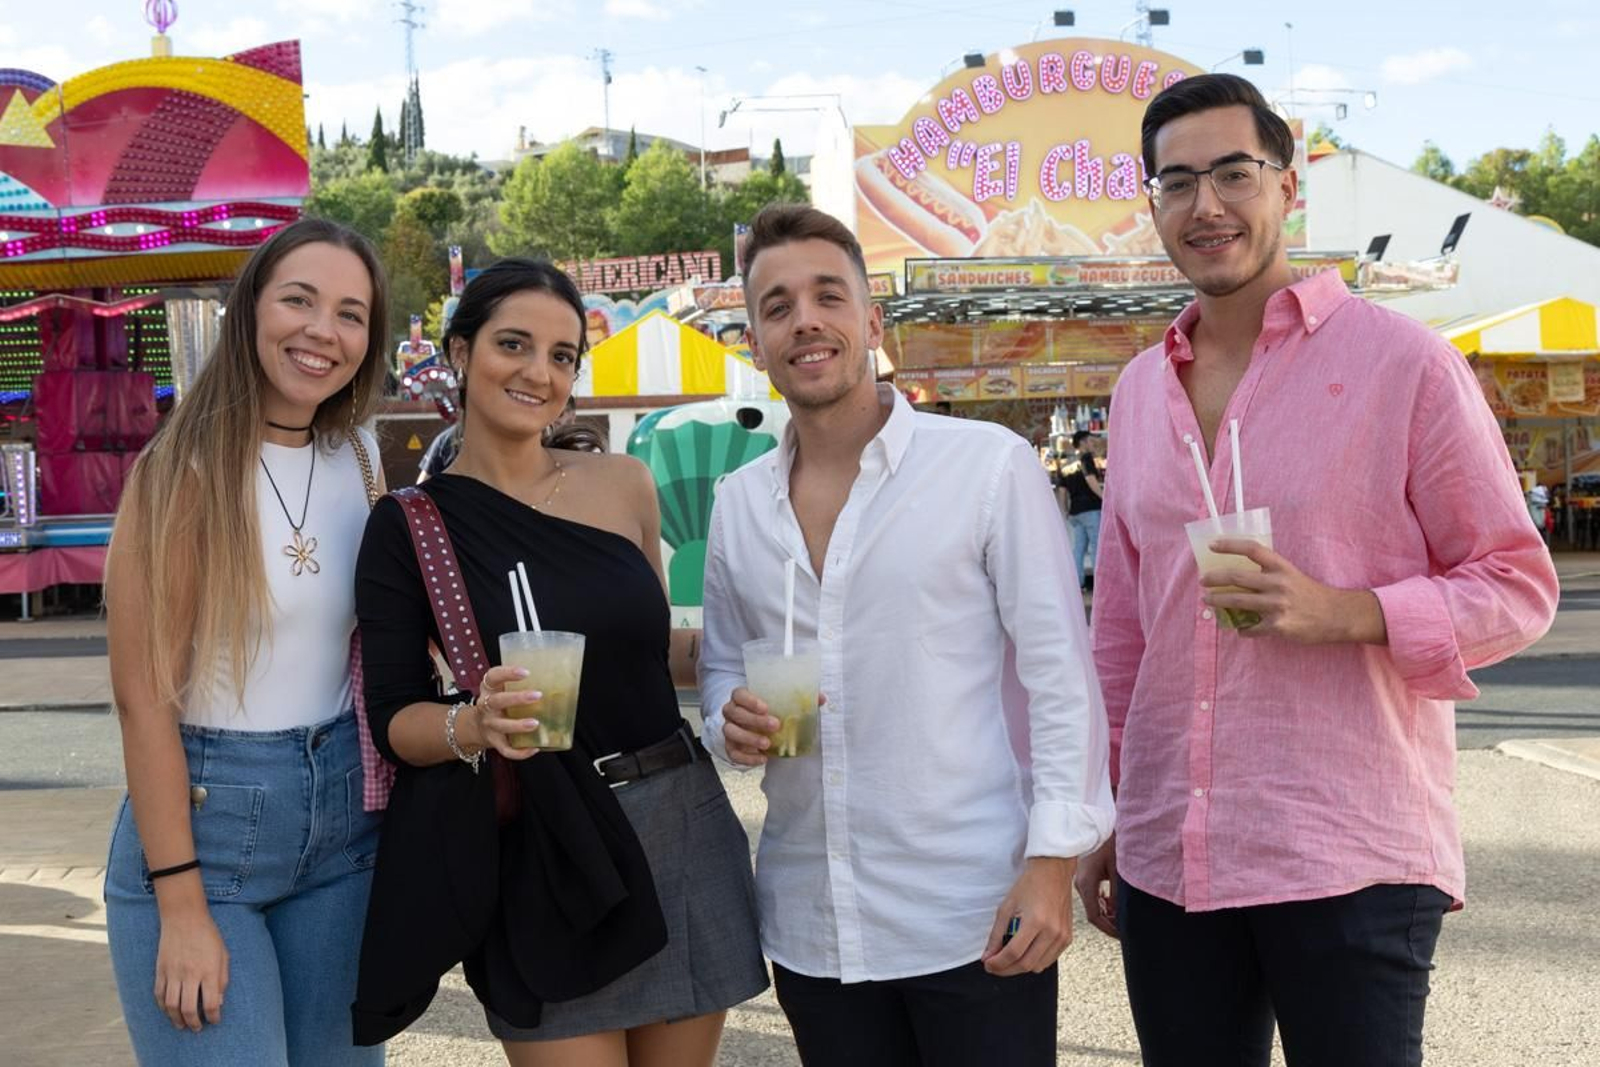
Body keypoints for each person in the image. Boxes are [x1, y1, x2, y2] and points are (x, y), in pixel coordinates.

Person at [1075, 74, 1559, 1067]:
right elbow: (1122, 629)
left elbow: (1517, 584)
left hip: (1347, 849)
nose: (1206, 205)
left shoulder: (1404, 363)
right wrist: (1109, 806)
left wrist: (1345, 611)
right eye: (1176, 182)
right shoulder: (1137, 389)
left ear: (1287, 188)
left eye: (1233, 173)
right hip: (1174, 851)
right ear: (1152, 204)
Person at [698, 204, 1114, 1067]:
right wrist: (726, 720)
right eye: (777, 306)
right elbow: (723, 665)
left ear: (872, 321)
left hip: (971, 911)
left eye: (828, 296)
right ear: (756, 343)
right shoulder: (738, 503)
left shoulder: (985, 464)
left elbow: (1060, 676)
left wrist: (1051, 861)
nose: (805, 320)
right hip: (814, 922)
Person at [351, 258, 766, 1066]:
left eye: (562, 355)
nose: (539, 372)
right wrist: (475, 723)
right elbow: (395, 718)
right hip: (549, 843)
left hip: (680, 818)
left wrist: (747, 659)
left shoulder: (624, 483)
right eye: (514, 344)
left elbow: (652, 651)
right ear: (461, 352)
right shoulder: (412, 525)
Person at [103, 218, 391, 1065]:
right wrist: (181, 906)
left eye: (350, 313)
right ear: (251, 309)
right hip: (206, 836)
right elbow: (143, 701)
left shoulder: (362, 457)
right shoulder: (181, 470)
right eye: (299, 300)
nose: (323, 331)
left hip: (345, 829)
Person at [1063, 430, 1104, 590]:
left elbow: (1062, 490)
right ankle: (1099, 584)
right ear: (1082, 442)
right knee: (1096, 547)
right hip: (1091, 508)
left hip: (1075, 511)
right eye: (1090, 441)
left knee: (1078, 548)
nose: (1093, 444)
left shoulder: (1067, 462)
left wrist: (1066, 510)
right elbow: (1090, 480)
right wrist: (1104, 498)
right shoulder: (1085, 458)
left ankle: (1076, 584)